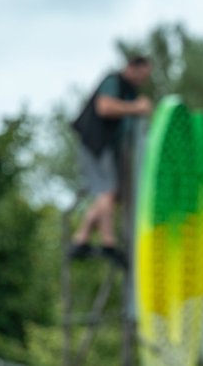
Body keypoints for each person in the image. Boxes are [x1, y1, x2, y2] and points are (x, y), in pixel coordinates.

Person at [68, 56, 153, 268]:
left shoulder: (129, 90)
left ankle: (81, 238)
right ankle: (108, 243)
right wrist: (136, 107)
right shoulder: (113, 81)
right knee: (107, 191)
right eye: (142, 74)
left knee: (110, 195)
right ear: (132, 67)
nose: (142, 80)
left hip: (108, 148)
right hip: (95, 144)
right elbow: (104, 107)